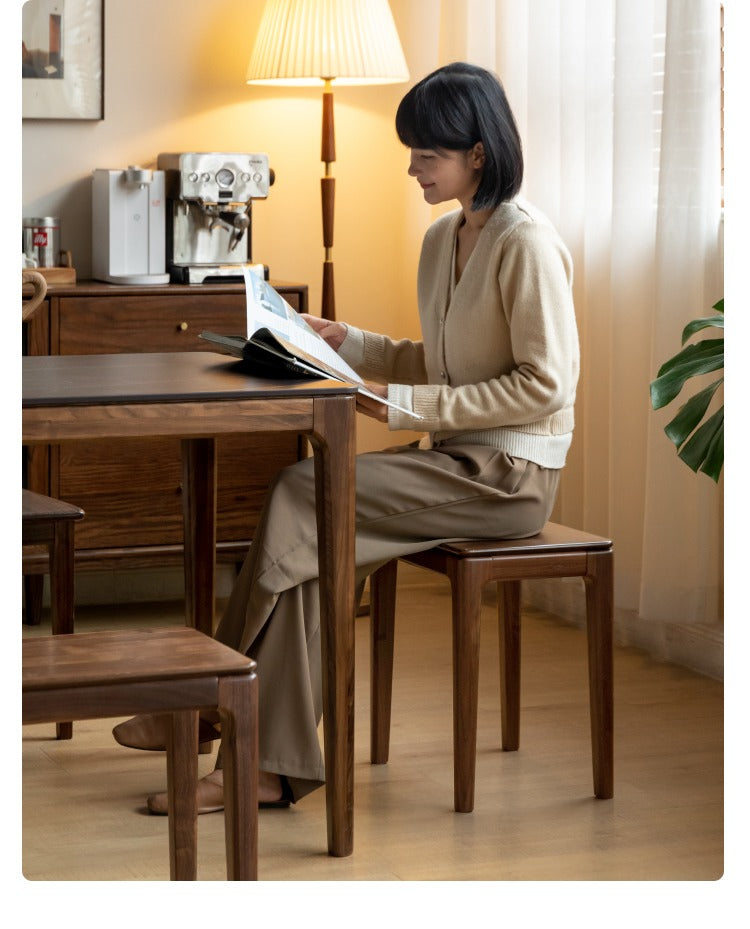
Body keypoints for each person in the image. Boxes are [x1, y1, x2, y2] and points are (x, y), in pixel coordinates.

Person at [113, 61, 580, 812]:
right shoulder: (443, 241)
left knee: (303, 489)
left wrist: (395, 405)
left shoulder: (525, 244)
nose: (411, 167)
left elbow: (543, 384)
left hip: (508, 475)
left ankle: (208, 703)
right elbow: (445, 361)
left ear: (477, 155)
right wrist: (345, 342)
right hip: (456, 458)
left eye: (426, 154)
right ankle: (262, 764)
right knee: (309, 545)